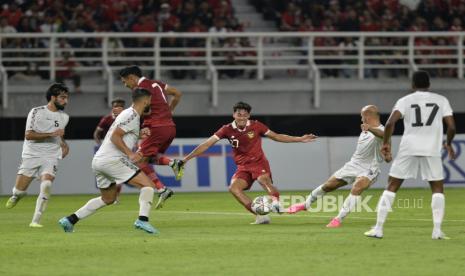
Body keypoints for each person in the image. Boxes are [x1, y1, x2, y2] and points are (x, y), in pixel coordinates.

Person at [176, 102, 317, 224]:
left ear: (248, 116)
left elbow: (276, 136)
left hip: (259, 162)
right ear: (234, 115)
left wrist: (300, 139)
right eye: (239, 114)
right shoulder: (226, 129)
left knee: (263, 180)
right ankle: (260, 216)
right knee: (234, 189)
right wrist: (186, 159)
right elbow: (206, 144)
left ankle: (276, 202)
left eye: (244, 114)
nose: (242, 117)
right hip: (243, 167)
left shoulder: (256, 126)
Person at [364, 71, 456, 240]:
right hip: (432, 149)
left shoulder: (405, 101)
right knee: (437, 188)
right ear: (429, 85)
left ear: (412, 85)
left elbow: (391, 122)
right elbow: (451, 127)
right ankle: (437, 231)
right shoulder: (441, 100)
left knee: (392, 186)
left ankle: (378, 228)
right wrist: (448, 143)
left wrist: (385, 143)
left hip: (409, 148)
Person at [58, 88, 159, 234]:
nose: (151, 103)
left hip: (99, 161)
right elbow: (115, 137)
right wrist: (130, 154)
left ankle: (70, 220)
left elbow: (120, 134)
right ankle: (142, 220)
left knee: (108, 198)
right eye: (150, 100)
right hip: (113, 160)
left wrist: (138, 134)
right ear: (145, 100)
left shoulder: (129, 114)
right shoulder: (131, 114)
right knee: (148, 186)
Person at [288, 105, 385, 227]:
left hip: (370, 168)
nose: (361, 119)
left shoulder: (381, 130)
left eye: (362, 116)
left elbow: (383, 135)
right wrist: (368, 129)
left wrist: (370, 129)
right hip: (353, 164)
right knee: (328, 186)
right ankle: (305, 204)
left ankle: (338, 219)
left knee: (357, 187)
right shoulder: (365, 129)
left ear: (367, 116)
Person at [5, 83, 70, 228]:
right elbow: (28, 135)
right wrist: (51, 134)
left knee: (46, 184)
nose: (66, 101)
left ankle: (36, 220)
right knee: (19, 191)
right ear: (53, 97)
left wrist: (64, 145)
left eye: (67, 98)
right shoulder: (37, 112)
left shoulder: (64, 117)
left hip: (51, 155)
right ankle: (16, 196)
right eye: (62, 97)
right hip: (31, 155)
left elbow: (58, 136)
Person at [119, 65, 183, 209]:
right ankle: (162, 187)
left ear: (132, 78)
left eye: (125, 82)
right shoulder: (157, 84)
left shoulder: (139, 90)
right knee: (149, 158)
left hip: (154, 128)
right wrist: (169, 110)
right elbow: (177, 93)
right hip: (170, 127)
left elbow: (141, 111)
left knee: (138, 160)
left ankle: (170, 170)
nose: (125, 85)